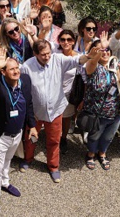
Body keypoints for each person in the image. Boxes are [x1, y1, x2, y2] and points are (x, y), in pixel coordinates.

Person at [0, 48, 37, 216]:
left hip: (17, 134)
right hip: (0, 135)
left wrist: (32, 125)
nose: (16, 71)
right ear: (4, 72)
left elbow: (29, 104)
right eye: (11, 69)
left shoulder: (25, 80)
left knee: (8, 160)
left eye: (17, 67)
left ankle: (5, 183)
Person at [20, 39, 82, 183]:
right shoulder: (27, 67)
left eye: (48, 53)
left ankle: (53, 166)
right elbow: (24, 89)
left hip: (55, 110)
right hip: (35, 112)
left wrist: (91, 55)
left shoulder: (58, 59)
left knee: (54, 140)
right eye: (43, 55)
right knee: (31, 138)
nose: (47, 57)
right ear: (35, 54)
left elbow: (77, 60)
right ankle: (28, 159)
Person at [81, 38, 120, 170]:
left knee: (108, 137)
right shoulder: (93, 67)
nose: (105, 52)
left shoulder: (115, 64)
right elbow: (91, 63)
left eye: (107, 50)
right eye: (101, 50)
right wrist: (100, 50)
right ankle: (91, 153)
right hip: (97, 112)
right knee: (94, 137)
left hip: (115, 111)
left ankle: (102, 153)